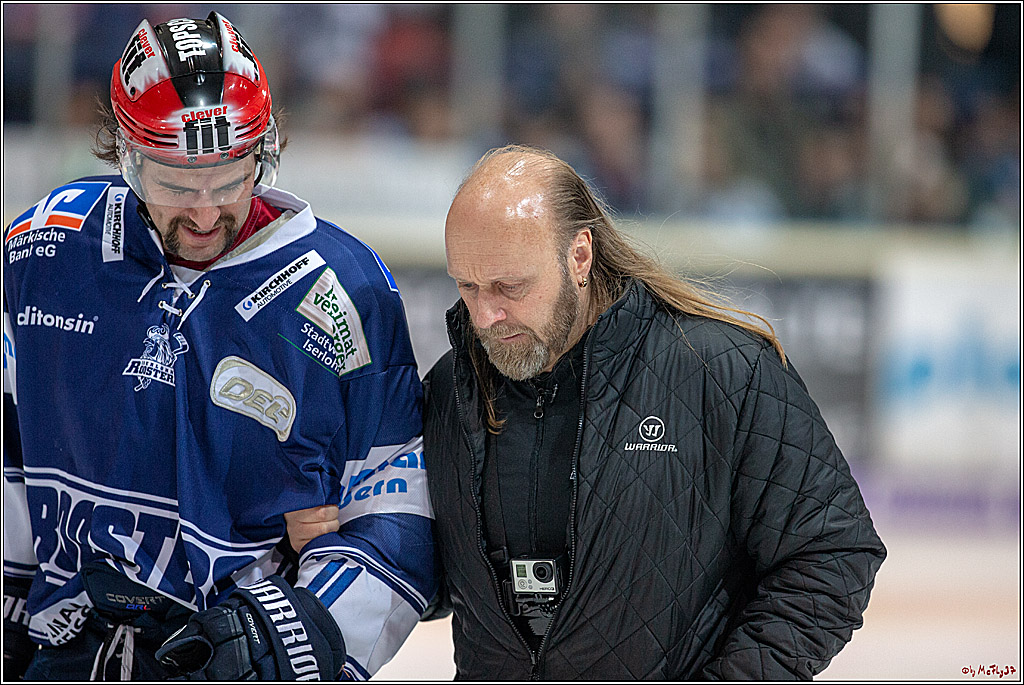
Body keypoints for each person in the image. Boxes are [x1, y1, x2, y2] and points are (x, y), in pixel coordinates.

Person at [3, 12, 436, 681]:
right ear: (125, 152)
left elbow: (394, 508)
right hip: (63, 652)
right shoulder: (44, 249)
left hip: (237, 663)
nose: (205, 213)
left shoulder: (343, 292)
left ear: (264, 151)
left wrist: (291, 634)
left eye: (230, 177)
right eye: (176, 184)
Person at [417, 144, 886, 679]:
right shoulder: (453, 388)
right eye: (467, 286)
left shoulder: (722, 372)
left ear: (579, 256)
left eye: (511, 287)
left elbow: (832, 553)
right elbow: (434, 579)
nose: (486, 314)